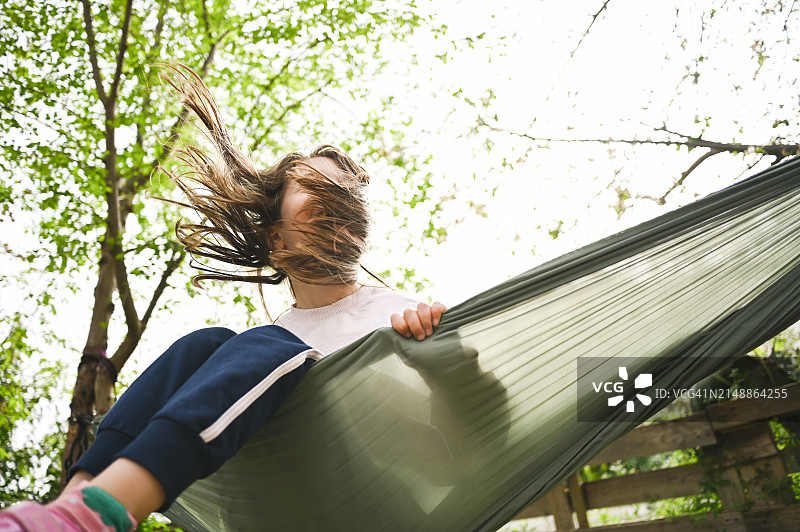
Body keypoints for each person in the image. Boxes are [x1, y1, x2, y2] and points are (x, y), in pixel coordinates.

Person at [0, 64, 445, 532]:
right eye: (316, 192)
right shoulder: (255, 354)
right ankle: (75, 506)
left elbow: (484, 422)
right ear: (276, 240)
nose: (335, 200)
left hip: (366, 503)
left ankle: (98, 511)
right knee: (207, 342)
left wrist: (445, 356)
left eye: (344, 197)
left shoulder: (399, 313)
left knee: (272, 344)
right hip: (273, 501)